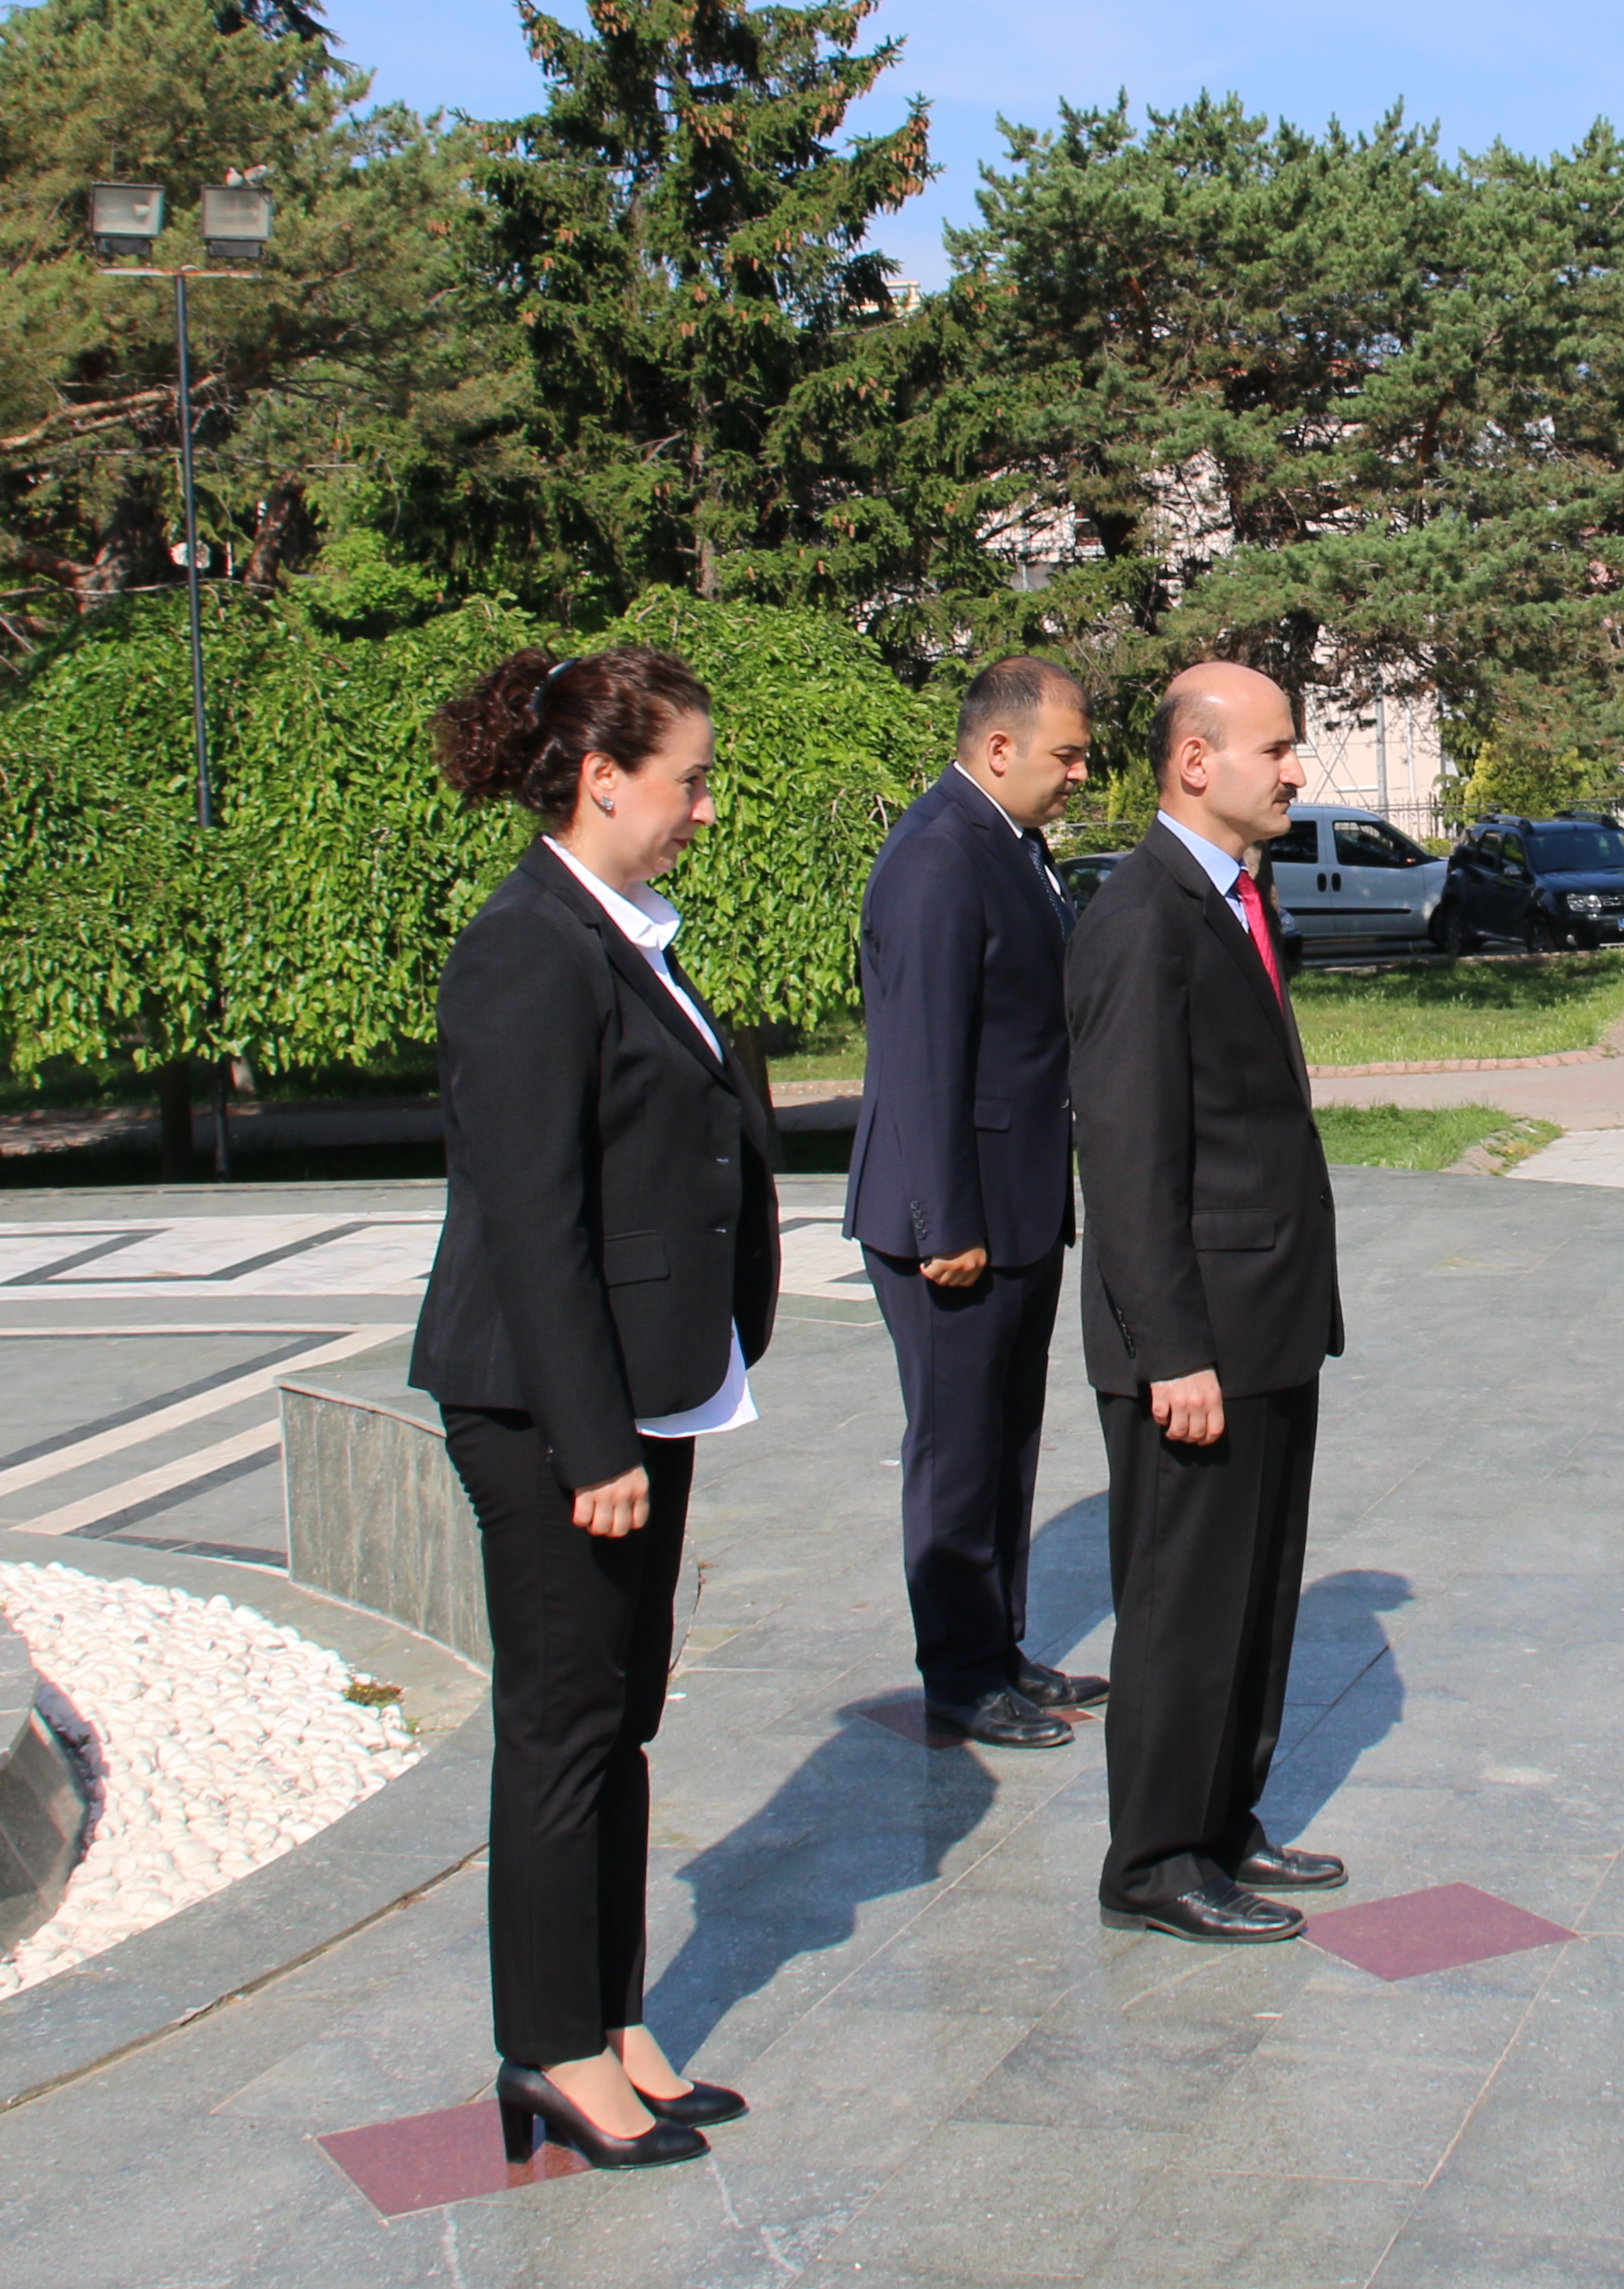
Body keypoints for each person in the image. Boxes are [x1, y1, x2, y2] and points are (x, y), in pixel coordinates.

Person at [407, 645, 781, 2170]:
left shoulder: (623, 931)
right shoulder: (525, 945)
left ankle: (613, 2015)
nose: (703, 805)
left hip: (641, 1391)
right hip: (550, 1404)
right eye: (687, 777)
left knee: (619, 1722)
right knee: (562, 1727)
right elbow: (530, 1212)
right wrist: (591, 1437)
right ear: (600, 776)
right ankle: (549, 2045)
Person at [1068, 660, 1351, 1943]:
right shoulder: (1142, 917)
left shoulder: (1238, 893)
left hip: (1268, 1320)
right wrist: (1172, 1350)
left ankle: (1225, 1820)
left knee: (1255, 1588)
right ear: (1196, 760)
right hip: (1195, 1342)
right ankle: (1157, 1857)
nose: (1296, 769)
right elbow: (1126, 1157)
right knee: (1185, 1603)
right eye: (1276, 748)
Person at [847, 654, 1107, 1750]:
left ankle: (996, 1648)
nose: (1081, 775)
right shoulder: (938, 857)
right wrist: (942, 1225)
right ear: (999, 748)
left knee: (1004, 1441)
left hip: (1017, 1204)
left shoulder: (1010, 845)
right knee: (957, 1449)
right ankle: (956, 1676)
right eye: (1067, 754)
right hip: (954, 1221)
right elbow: (919, 1058)